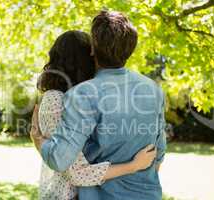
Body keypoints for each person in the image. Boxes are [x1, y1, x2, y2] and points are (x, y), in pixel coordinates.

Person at [32, 11, 166, 200]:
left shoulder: (81, 94)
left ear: (93, 49)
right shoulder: (154, 89)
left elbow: (59, 159)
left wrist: (39, 142)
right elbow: (158, 152)